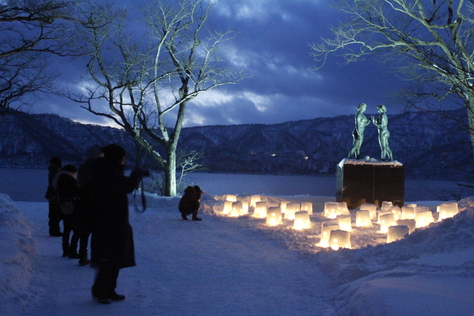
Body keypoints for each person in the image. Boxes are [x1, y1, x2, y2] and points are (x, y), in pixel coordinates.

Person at [90, 143, 146, 304]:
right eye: (123, 157)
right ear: (117, 158)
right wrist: (136, 176)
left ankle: (109, 289)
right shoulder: (108, 172)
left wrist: (136, 177)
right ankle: (100, 291)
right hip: (109, 221)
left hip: (113, 220)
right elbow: (125, 186)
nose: (124, 160)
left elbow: (123, 185)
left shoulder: (107, 169)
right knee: (108, 258)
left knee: (114, 257)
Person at [75, 145, 103, 266]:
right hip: (95, 204)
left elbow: (79, 184)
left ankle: (83, 256)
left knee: (84, 232)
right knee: (96, 232)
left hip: (82, 203)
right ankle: (95, 257)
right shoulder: (99, 168)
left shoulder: (82, 167)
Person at [54, 164, 80, 258]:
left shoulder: (59, 178)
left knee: (66, 230)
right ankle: (73, 250)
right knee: (77, 230)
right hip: (72, 207)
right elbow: (76, 192)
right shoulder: (70, 179)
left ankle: (65, 250)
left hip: (63, 207)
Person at [46, 157, 63, 236]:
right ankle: (54, 230)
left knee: (54, 212)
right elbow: (55, 183)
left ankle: (54, 229)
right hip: (55, 194)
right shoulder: (55, 171)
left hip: (54, 194)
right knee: (54, 213)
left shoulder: (54, 170)